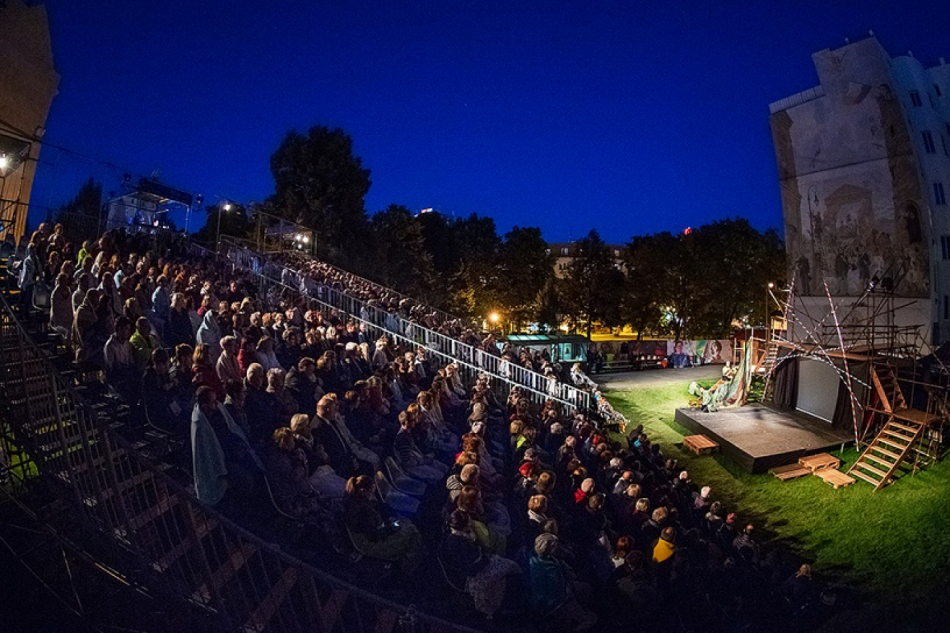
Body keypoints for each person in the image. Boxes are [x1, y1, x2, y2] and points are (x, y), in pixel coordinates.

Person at [439, 510, 521, 618]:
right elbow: (471, 566)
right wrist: (486, 560)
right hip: (471, 575)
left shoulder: (457, 535)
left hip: (480, 563)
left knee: (509, 565)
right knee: (505, 570)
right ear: (463, 527)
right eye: (469, 523)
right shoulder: (456, 543)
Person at [342, 475, 422, 575]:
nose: (373, 494)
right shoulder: (362, 511)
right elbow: (374, 536)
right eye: (371, 491)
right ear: (363, 491)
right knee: (412, 531)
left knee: (409, 529)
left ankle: (411, 562)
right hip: (372, 545)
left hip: (376, 535)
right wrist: (394, 527)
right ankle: (408, 568)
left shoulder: (358, 502)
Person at [527, 534, 597, 630]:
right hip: (554, 604)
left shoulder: (532, 556)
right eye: (556, 546)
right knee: (591, 618)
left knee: (585, 588)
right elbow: (558, 591)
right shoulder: (549, 569)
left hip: (549, 596)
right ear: (549, 549)